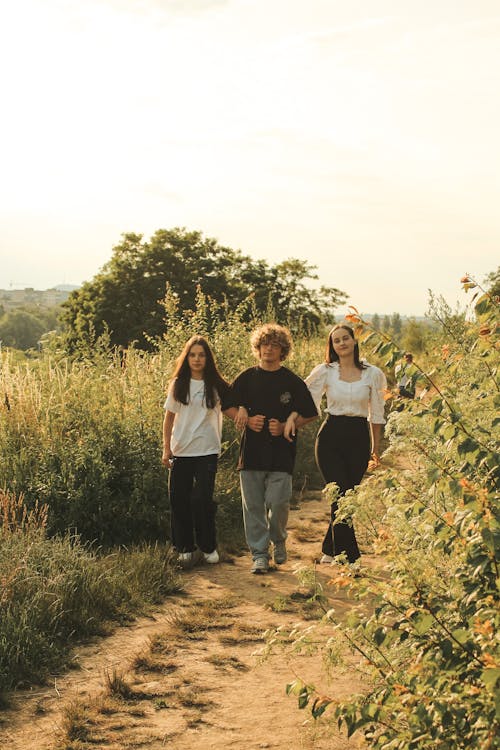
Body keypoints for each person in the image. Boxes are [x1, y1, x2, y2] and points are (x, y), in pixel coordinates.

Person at [224, 324, 318, 574]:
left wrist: (289, 424)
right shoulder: (246, 377)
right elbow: (227, 406)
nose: (269, 349)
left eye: (275, 345)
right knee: (253, 507)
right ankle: (259, 555)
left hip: (281, 454)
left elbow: (310, 413)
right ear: (258, 348)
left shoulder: (292, 381)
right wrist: (244, 417)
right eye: (265, 344)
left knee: (278, 503)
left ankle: (278, 540)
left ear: (282, 350)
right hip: (251, 454)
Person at [296, 324, 387, 566]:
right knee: (340, 495)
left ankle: (330, 547)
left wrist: (376, 448)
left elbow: (376, 414)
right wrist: (289, 422)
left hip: (358, 438)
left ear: (354, 341)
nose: (342, 343)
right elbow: (304, 397)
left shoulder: (372, 373)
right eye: (336, 341)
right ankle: (350, 557)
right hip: (330, 438)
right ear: (332, 346)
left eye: (345, 338)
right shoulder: (325, 371)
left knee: (348, 496)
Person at [161, 335, 229, 566]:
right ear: (186, 357)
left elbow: (233, 408)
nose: (197, 359)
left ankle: (208, 546)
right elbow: (169, 418)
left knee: (201, 499)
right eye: (192, 355)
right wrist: (166, 449)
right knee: (179, 500)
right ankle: (184, 547)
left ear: (207, 358)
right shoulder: (178, 384)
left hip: (207, 450)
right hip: (181, 450)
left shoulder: (216, 385)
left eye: (201, 355)